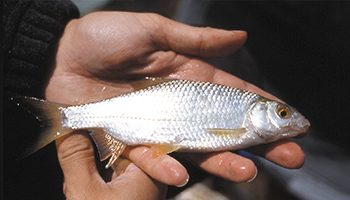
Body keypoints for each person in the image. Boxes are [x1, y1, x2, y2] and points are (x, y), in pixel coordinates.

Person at [4, 1, 306, 199]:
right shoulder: (244, 126)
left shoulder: (246, 126)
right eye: (281, 112)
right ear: (259, 110)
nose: (290, 119)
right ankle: (61, 119)